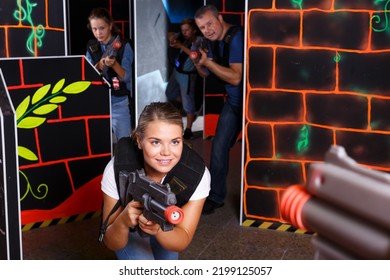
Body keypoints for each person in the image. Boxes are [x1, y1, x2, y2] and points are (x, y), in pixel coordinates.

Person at [99, 102, 210, 260]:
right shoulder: (117, 168)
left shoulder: (196, 174)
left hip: (165, 226)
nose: (166, 152)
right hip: (129, 227)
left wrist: (158, 229)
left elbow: (182, 239)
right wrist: (123, 221)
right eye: (155, 142)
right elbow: (111, 242)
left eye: (175, 142)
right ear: (139, 140)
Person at [193, 5, 244, 215]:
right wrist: (198, 62)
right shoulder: (213, 42)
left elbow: (235, 77)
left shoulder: (236, 37)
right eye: (202, 28)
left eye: (210, 23)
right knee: (219, 147)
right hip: (233, 104)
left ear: (220, 18)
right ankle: (215, 197)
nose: (207, 30)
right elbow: (205, 73)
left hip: (252, 105)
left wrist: (208, 64)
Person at [86, 7, 134, 142]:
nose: (98, 33)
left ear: (110, 26)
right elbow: (86, 76)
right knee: (99, 145)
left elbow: (126, 77)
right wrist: (100, 65)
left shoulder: (123, 46)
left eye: (102, 28)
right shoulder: (91, 46)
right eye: (94, 29)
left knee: (124, 144)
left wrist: (114, 64)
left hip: (119, 102)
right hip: (98, 103)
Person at [166, 18, 203, 140]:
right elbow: (170, 34)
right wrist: (172, 38)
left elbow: (195, 56)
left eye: (187, 30)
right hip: (177, 72)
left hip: (187, 75)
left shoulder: (199, 41)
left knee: (188, 105)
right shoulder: (183, 38)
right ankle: (187, 105)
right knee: (170, 93)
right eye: (183, 30)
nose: (185, 32)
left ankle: (188, 129)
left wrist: (180, 46)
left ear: (194, 30)